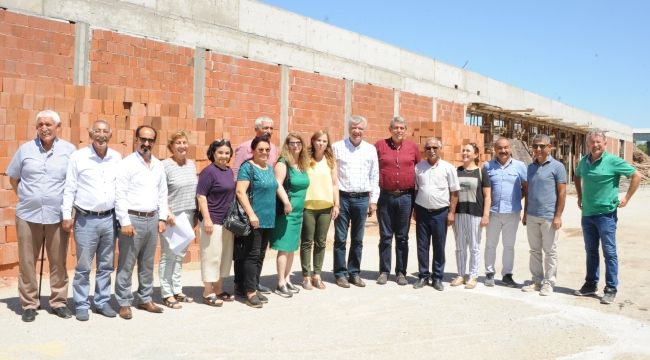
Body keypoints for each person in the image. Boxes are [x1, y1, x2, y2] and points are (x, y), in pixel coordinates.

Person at [7, 109, 76, 322]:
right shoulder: (25, 150)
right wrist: (29, 198)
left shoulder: (69, 151)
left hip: (57, 216)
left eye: (48, 124)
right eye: (40, 125)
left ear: (58, 127)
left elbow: (73, 183)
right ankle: (29, 304)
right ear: (37, 128)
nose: (44, 128)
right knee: (27, 261)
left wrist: (68, 212)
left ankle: (58, 301)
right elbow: (13, 178)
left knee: (58, 261)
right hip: (28, 216)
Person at [61, 120, 122, 321]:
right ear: (90, 133)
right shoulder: (78, 157)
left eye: (105, 131)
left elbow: (120, 190)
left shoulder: (116, 158)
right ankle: (81, 304)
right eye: (97, 131)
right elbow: (69, 188)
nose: (101, 135)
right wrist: (66, 215)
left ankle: (102, 301)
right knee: (84, 265)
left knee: (105, 265)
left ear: (110, 135)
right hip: (85, 220)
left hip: (109, 219)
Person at [573, 129, 641, 304]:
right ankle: (590, 285)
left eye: (598, 142)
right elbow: (577, 175)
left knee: (609, 252)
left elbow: (636, 175)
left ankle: (611, 288)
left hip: (606, 215)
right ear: (588, 144)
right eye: (592, 142)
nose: (595, 145)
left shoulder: (613, 161)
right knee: (591, 251)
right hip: (587, 214)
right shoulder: (584, 161)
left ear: (604, 144)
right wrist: (580, 196)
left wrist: (626, 198)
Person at [114, 125, 168, 319]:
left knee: (147, 263)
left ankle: (145, 298)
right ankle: (124, 302)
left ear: (154, 142)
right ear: (136, 139)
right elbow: (119, 194)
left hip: (152, 219)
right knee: (127, 263)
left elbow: (163, 193)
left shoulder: (158, 165)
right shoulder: (127, 164)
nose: (146, 143)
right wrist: (125, 221)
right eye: (143, 139)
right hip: (132, 219)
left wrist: (162, 218)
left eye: (150, 140)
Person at [232, 116, 278, 295]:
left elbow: (274, 182)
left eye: (271, 128)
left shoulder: (271, 156)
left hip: (267, 215)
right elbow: (238, 182)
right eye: (265, 127)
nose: (265, 152)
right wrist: (248, 212)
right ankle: (244, 287)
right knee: (248, 253)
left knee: (259, 254)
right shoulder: (246, 155)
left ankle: (253, 284)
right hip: (252, 213)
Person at [331, 115, 379, 288]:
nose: (357, 131)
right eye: (354, 128)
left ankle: (354, 273)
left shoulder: (370, 149)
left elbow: (374, 176)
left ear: (364, 130)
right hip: (343, 198)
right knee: (340, 238)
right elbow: (333, 176)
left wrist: (373, 201)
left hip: (361, 199)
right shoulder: (337, 147)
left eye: (360, 128)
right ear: (349, 128)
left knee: (358, 239)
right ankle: (340, 273)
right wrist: (334, 200)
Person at [375, 116, 420, 286]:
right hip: (385, 196)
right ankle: (384, 271)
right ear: (390, 129)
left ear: (405, 130)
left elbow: (419, 170)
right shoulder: (379, 146)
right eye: (395, 127)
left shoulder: (412, 147)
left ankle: (401, 272)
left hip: (406, 197)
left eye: (402, 128)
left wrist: (417, 201)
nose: (399, 130)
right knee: (385, 236)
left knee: (402, 237)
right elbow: (373, 169)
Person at [521, 134, 567, 296]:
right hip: (532, 215)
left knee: (550, 251)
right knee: (534, 250)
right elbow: (528, 192)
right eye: (535, 146)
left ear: (549, 147)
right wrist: (525, 213)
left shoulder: (557, 167)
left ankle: (549, 282)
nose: (538, 149)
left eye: (542, 146)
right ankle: (537, 280)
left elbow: (562, 193)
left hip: (549, 216)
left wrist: (558, 216)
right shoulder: (531, 167)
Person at [413, 138, 460, 291]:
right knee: (422, 246)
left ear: (440, 149)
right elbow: (415, 190)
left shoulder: (448, 168)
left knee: (439, 246)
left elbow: (454, 192)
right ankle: (423, 276)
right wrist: (414, 209)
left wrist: (451, 212)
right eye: (428, 148)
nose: (431, 150)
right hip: (422, 212)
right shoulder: (418, 167)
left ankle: (437, 277)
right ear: (424, 150)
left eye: (435, 147)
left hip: (440, 213)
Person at [158, 130, 198, 309]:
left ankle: (177, 289)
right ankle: (166, 293)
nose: (182, 146)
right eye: (178, 143)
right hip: (171, 217)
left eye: (184, 142)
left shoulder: (191, 165)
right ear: (171, 147)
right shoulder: (164, 165)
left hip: (188, 214)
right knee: (168, 254)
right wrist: (167, 213)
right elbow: (160, 192)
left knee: (180, 254)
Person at [197, 139, 236, 307]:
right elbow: (201, 196)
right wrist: (207, 219)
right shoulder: (208, 172)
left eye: (227, 153)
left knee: (225, 256)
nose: (224, 156)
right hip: (211, 221)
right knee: (211, 256)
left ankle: (219, 288)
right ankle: (207, 292)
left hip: (227, 222)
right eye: (220, 152)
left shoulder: (229, 171)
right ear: (213, 153)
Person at [483, 137, 527, 287]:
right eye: (500, 148)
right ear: (494, 150)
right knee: (490, 244)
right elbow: (483, 190)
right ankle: (489, 273)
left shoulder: (520, 166)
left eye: (506, 147)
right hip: (493, 212)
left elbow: (526, 188)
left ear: (510, 148)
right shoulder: (487, 166)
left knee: (509, 245)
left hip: (512, 213)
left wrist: (518, 202)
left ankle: (507, 275)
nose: (503, 151)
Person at [271, 133, 310, 297]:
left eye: (299, 143)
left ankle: (287, 279)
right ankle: (280, 282)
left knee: (292, 247)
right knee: (284, 247)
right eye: (292, 143)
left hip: (298, 213)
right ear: (287, 145)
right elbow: (277, 184)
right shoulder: (282, 163)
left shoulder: (301, 164)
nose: (296, 146)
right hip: (286, 212)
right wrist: (287, 202)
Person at [300, 130, 339, 290]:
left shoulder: (331, 160)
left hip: (326, 206)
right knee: (307, 241)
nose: (321, 143)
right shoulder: (306, 159)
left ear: (327, 143)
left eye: (324, 141)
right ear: (313, 141)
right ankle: (306, 276)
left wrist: (337, 204)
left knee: (321, 242)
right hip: (308, 205)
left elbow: (335, 184)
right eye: (318, 140)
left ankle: (317, 274)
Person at [451, 143, 491, 290]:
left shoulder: (481, 172)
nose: (465, 153)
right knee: (460, 246)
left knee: (474, 246)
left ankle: (473, 276)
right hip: (459, 213)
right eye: (463, 150)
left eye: (468, 151)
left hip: (475, 214)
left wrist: (486, 215)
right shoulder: (456, 171)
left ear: (475, 155)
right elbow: (452, 194)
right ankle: (461, 275)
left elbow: (487, 196)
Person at [232, 116, 279, 180]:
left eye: (271, 128)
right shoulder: (245, 147)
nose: (269, 131)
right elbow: (236, 171)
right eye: (266, 128)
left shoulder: (273, 148)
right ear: (256, 129)